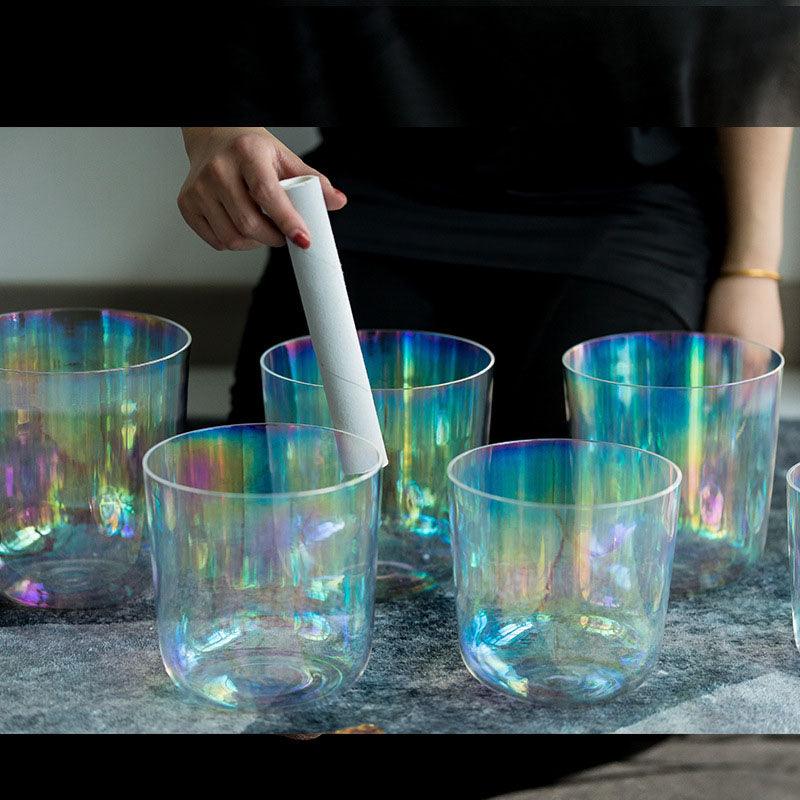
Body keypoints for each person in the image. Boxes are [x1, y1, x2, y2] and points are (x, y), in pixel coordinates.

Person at [177, 125, 791, 441]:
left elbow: (754, 26)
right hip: (379, 177)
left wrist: (752, 267)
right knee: (290, 468)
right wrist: (212, 131)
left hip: (627, 195)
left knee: (588, 483)